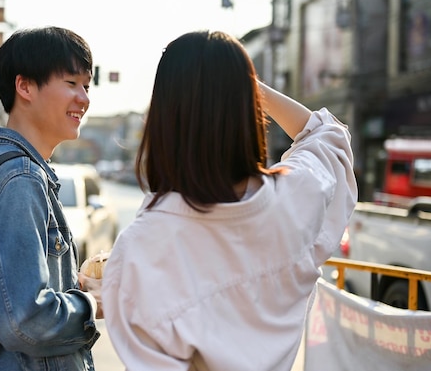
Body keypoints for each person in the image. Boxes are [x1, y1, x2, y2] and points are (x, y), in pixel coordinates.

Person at [100, 30, 358, 371]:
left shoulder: (142, 246)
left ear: (164, 115)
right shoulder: (295, 197)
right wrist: (244, 82)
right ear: (249, 107)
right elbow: (329, 134)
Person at [0, 27, 101, 371]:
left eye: (86, 85)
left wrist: (73, 285)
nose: (84, 98)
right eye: (71, 83)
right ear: (24, 86)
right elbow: (24, 319)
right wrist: (93, 304)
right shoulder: (20, 178)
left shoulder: (0, 163)